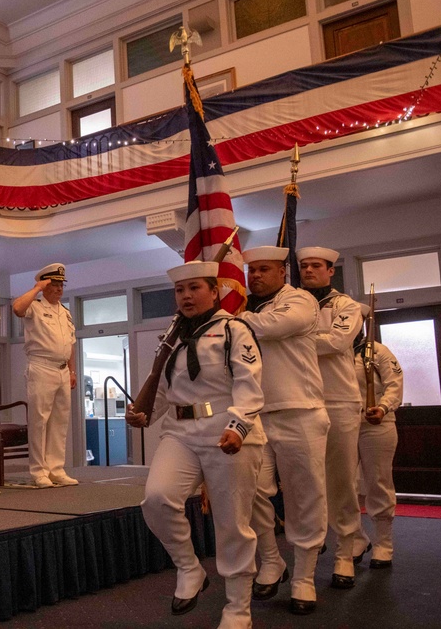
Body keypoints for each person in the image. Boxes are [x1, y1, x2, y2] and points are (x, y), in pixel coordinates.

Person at [128, 260, 264, 628]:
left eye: (195, 289)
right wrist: (145, 415)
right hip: (179, 430)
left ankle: (238, 608)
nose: (186, 296)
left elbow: (250, 385)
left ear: (214, 290)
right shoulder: (172, 334)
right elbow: (165, 386)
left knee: (232, 523)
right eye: (179, 290)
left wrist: (239, 426)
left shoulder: (234, 329)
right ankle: (189, 568)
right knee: (157, 498)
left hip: (226, 428)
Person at [238, 246, 328, 616]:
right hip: (255, 415)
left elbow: (275, 327)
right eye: (251, 270)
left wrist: (233, 317)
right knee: (253, 493)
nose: (255, 276)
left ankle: (305, 577)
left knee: (305, 497)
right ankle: (272, 560)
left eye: (263, 269)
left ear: (281, 273)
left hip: (300, 412)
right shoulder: (246, 308)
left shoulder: (301, 300)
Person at [297, 246, 364, 589]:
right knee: (309, 481)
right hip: (303, 401)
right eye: (303, 266)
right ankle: (319, 542)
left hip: (339, 401)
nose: (308, 270)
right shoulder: (293, 303)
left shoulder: (347, 306)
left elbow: (336, 342)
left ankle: (345, 551)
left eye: (315, 266)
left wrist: (290, 336)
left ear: (330, 270)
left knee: (341, 481)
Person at [12, 263, 78, 488]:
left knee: (60, 421)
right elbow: (17, 309)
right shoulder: (35, 307)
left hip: (61, 370)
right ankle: (38, 471)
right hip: (41, 367)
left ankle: (56, 469)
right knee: (39, 421)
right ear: (44, 286)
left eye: (61, 284)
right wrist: (36, 289)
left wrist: (72, 370)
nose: (59, 289)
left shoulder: (66, 313)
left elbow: (70, 343)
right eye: (54, 285)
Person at [352, 311, 404, 569]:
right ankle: (356, 537)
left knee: (378, 483)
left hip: (377, 424)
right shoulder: (330, 354)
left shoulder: (378, 351)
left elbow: (395, 383)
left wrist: (383, 407)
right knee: (341, 486)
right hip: (342, 425)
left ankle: (383, 543)